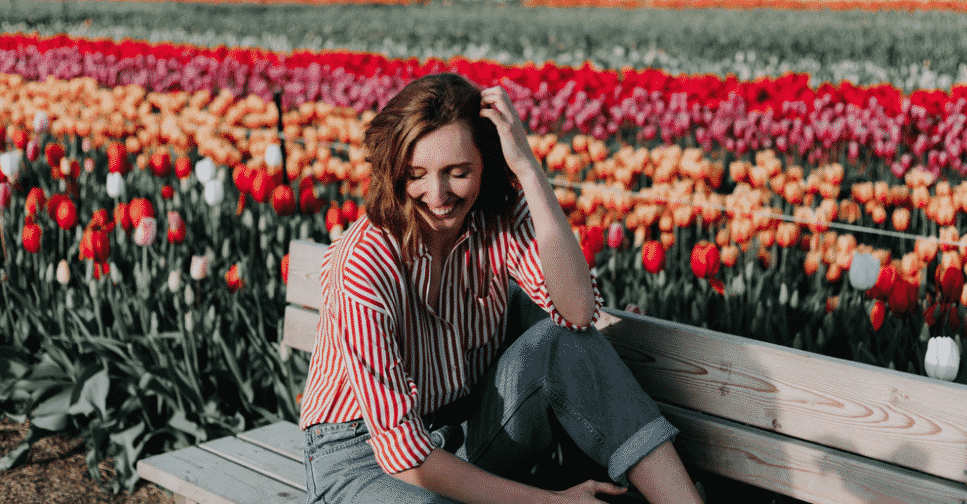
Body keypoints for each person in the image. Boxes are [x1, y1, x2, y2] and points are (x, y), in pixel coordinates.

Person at [300, 73, 704, 503]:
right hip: (361, 454)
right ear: (394, 170)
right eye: (416, 174)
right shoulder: (364, 262)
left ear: (485, 165)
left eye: (458, 172)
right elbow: (406, 455)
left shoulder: (495, 218)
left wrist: (527, 167)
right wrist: (551, 502)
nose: (437, 194)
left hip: (462, 426)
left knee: (564, 343)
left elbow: (578, 311)